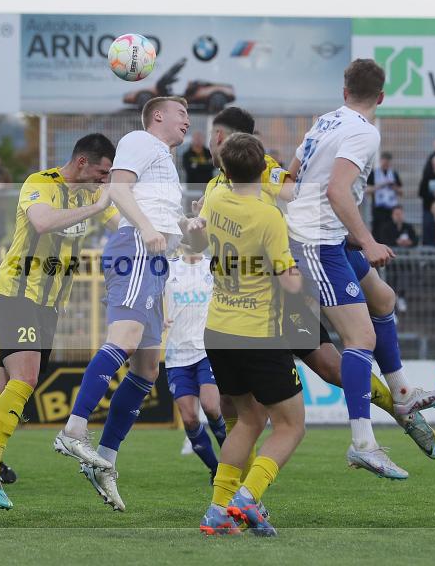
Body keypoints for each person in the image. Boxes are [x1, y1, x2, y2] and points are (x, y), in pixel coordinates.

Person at [204, 106, 435, 474]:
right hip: (247, 303)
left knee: (330, 367)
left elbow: (294, 192)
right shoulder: (213, 187)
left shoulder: (259, 167)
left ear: (220, 138)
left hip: (280, 295)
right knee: (241, 407)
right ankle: (236, 494)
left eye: (207, 134)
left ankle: (399, 407)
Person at [285, 59, 435, 480]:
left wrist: (349, 233)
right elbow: (338, 190)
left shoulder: (324, 122)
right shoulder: (363, 131)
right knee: (360, 338)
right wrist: (370, 240)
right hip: (316, 243)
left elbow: (292, 177)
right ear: (381, 97)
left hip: (326, 235)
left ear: (344, 92)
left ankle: (403, 393)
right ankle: (363, 444)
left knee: (383, 297)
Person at [0, 134, 118, 524]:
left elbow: (123, 220)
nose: (104, 179)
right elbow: (42, 222)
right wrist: (99, 205)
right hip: (17, 295)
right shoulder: (40, 183)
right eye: (101, 171)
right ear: (81, 163)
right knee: (24, 381)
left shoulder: (89, 195)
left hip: (49, 305)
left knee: (3, 389)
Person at [54, 96, 189, 512]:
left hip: (156, 261)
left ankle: (105, 461)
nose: (187, 121)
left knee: (147, 369)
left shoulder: (165, 161)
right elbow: (117, 188)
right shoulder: (140, 140)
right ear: (158, 116)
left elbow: (159, 213)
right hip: (136, 250)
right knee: (125, 339)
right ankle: (73, 428)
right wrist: (147, 228)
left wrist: (187, 226)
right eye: (181, 113)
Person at [186, 133, 304, 536]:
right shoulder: (269, 216)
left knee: (249, 420)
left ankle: (218, 510)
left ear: (223, 169)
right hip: (259, 333)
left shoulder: (215, 199)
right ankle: (248, 497)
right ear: (264, 169)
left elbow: (197, 241)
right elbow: (288, 281)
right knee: (290, 425)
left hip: (219, 328)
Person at [163, 245, 225, 483]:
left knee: (211, 406)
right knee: (189, 418)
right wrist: (158, 316)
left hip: (206, 349)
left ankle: (233, 462)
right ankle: (216, 470)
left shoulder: (213, 266)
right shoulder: (168, 267)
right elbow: (149, 293)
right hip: (177, 355)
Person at [376, 206, 418, 313]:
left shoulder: (408, 227)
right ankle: (393, 301)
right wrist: (396, 242)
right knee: (391, 280)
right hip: (391, 261)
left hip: (404, 261)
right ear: (392, 215)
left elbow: (415, 240)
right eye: (396, 214)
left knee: (404, 278)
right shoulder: (386, 227)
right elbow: (383, 240)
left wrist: (409, 243)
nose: (399, 216)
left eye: (400, 214)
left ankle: (401, 297)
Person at [365, 151, 402, 236]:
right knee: (378, 232)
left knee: (390, 232)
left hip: (391, 209)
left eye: (388, 163)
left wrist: (394, 187)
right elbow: (366, 190)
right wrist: (380, 185)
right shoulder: (374, 173)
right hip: (378, 209)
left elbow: (401, 192)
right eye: (384, 162)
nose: (386, 165)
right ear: (381, 161)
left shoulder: (394, 174)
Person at [181, 131, 214, 210]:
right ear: (192, 139)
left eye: (200, 138)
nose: (198, 140)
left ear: (203, 139)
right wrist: (205, 166)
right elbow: (188, 169)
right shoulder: (187, 154)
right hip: (192, 186)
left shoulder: (209, 153)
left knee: (206, 209)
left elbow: (212, 166)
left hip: (207, 187)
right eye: (196, 138)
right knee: (192, 208)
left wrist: (196, 166)